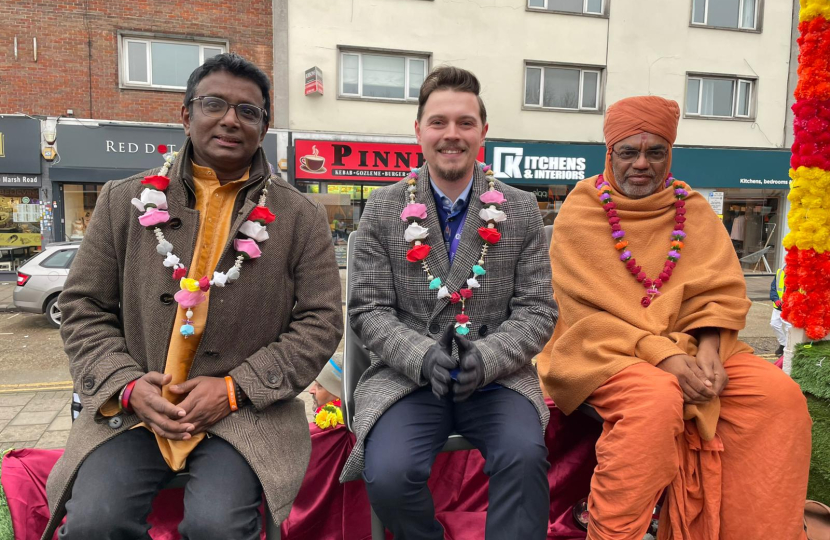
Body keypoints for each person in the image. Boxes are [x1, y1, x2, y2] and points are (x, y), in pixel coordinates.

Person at [44, 53, 343, 540]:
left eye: (249, 111)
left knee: (217, 527)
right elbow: (83, 308)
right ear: (186, 115)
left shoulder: (300, 216)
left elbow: (321, 321)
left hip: (246, 414)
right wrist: (126, 385)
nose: (231, 119)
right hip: (136, 410)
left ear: (263, 127)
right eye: (214, 104)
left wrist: (234, 389)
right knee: (96, 522)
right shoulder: (124, 200)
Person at [538, 95, 812, 540]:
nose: (641, 163)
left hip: (695, 343)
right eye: (629, 151)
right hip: (600, 349)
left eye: (655, 152)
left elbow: (718, 294)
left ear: (671, 154)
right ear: (610, 154)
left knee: (778, 397)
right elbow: (582, 311)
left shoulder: (694, 209)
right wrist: (663, 356)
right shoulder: (582, 209)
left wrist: (710, 351)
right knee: (654, 401)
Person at [340, 66, 557, 540]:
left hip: (498, 378)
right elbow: (367, 312)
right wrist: (422, 357)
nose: (451, 135)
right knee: (391, 475)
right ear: (419, 131)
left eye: (464, 122)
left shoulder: (519, 208)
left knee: (524, 457)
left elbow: (538, 309)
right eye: (438, 122)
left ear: (483, 130)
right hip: (408, 378)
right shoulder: (383, 206)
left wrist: (489, 356)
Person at [769, 265, 790, 357]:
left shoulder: (797, 273)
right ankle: (784, 344)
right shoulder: (779, 272)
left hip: (789, 307)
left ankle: (788, 348)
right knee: (774, 324)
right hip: (778, 306)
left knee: (789, 328)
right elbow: (773, 288)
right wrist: (775, 299)